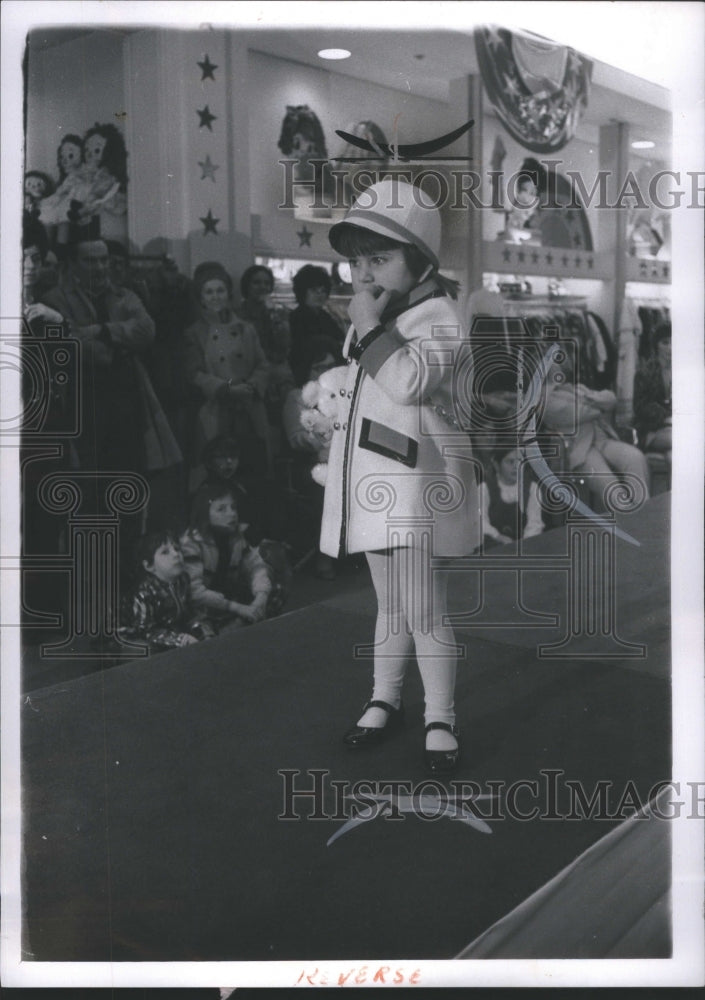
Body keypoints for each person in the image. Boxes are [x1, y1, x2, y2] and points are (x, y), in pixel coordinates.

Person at [320, 177, 481, 774]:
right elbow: (369, 389)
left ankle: (441, 715)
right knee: (389, 604)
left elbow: (409, 381)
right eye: (359, 261)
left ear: (421, 261)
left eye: (380, 259)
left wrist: (366, 324)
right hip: (376, 483)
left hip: (415, 487)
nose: (364, 274)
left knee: (424, 607)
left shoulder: (438, 315)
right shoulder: (384, 311)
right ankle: (385, 697)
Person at [183, 261, 271, 484]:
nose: (215, 297)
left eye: (220, 290)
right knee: (217, 471)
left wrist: (251, 386)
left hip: (250, 409)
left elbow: (263, 364)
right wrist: (226, 389)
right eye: (209, 292)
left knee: (253, 469)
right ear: (201, 297)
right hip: (217, 410)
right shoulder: (193, 333)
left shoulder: (246, 328)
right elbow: (193, 373)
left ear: (228, 293)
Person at [540, 350, 650, 509]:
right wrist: (598, 404)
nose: (561, 365)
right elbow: (579, 413)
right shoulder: (545, 400)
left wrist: (589, 400)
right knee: (612, 488)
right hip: (580, 451)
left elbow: (612, 399)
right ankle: (630, 525)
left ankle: (645, 513)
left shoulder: (578, 388)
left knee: (636, 458)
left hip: (604, 440)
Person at [180, 484, 285, 629]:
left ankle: (242, 622)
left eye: (233, 508)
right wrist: (237, 608)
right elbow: (195, 593)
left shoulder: (235, 537)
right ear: (204, 513)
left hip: (230, 598)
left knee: (274, 587)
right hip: (203, 607)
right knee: (200, 626)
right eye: (221, 509)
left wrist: (261, 596)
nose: (232, 514)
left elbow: (256, 566)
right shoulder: (191, 543)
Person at [119, 530, 216, 653]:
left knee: (206, 629)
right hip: (131, 634)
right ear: (149, 566)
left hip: (165, 626)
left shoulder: (182, 579)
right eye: (165, 552)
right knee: (146, 651)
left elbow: (190, 612)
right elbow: (145, 630)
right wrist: (178, 639)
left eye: (177, 549)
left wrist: (204, 632)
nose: (176, 554)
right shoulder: (144, 592)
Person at [288, 264, 345, 385]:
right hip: (308, 375)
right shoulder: (296, 316)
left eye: (323, 291)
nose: (320, 295)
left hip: (330, 373)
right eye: (314, 290)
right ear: (302, 292)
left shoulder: (326, 315)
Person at [480, 446, 545, 546]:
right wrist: (498, 536)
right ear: (497, 465)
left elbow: (535, 524)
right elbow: (480, 521)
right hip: (492, 548)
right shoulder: (484, 489)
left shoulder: (532, 488)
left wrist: (522, 547)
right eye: (510, 462)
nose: (516, 466)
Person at [633, 322, 672, 469]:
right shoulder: (645, 373)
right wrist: (667, 414)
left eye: (674, 342)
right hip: (651, 431)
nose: (670, 348)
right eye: (665, 343)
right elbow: (640, 407)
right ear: (656, 345)